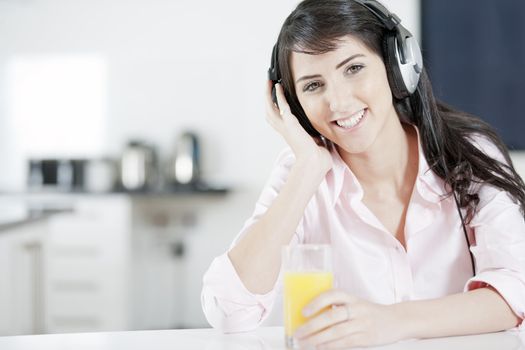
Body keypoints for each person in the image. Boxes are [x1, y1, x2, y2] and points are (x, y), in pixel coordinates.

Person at [201, 0, 525, 348]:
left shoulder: (470, 153)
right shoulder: (300, 173)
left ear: (397, 65)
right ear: (293, 106)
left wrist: (390, 321)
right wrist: (307, 170)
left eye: (353, 68)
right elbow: (229, 311)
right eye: (313, 86)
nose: (338, 102)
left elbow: (515, 290)